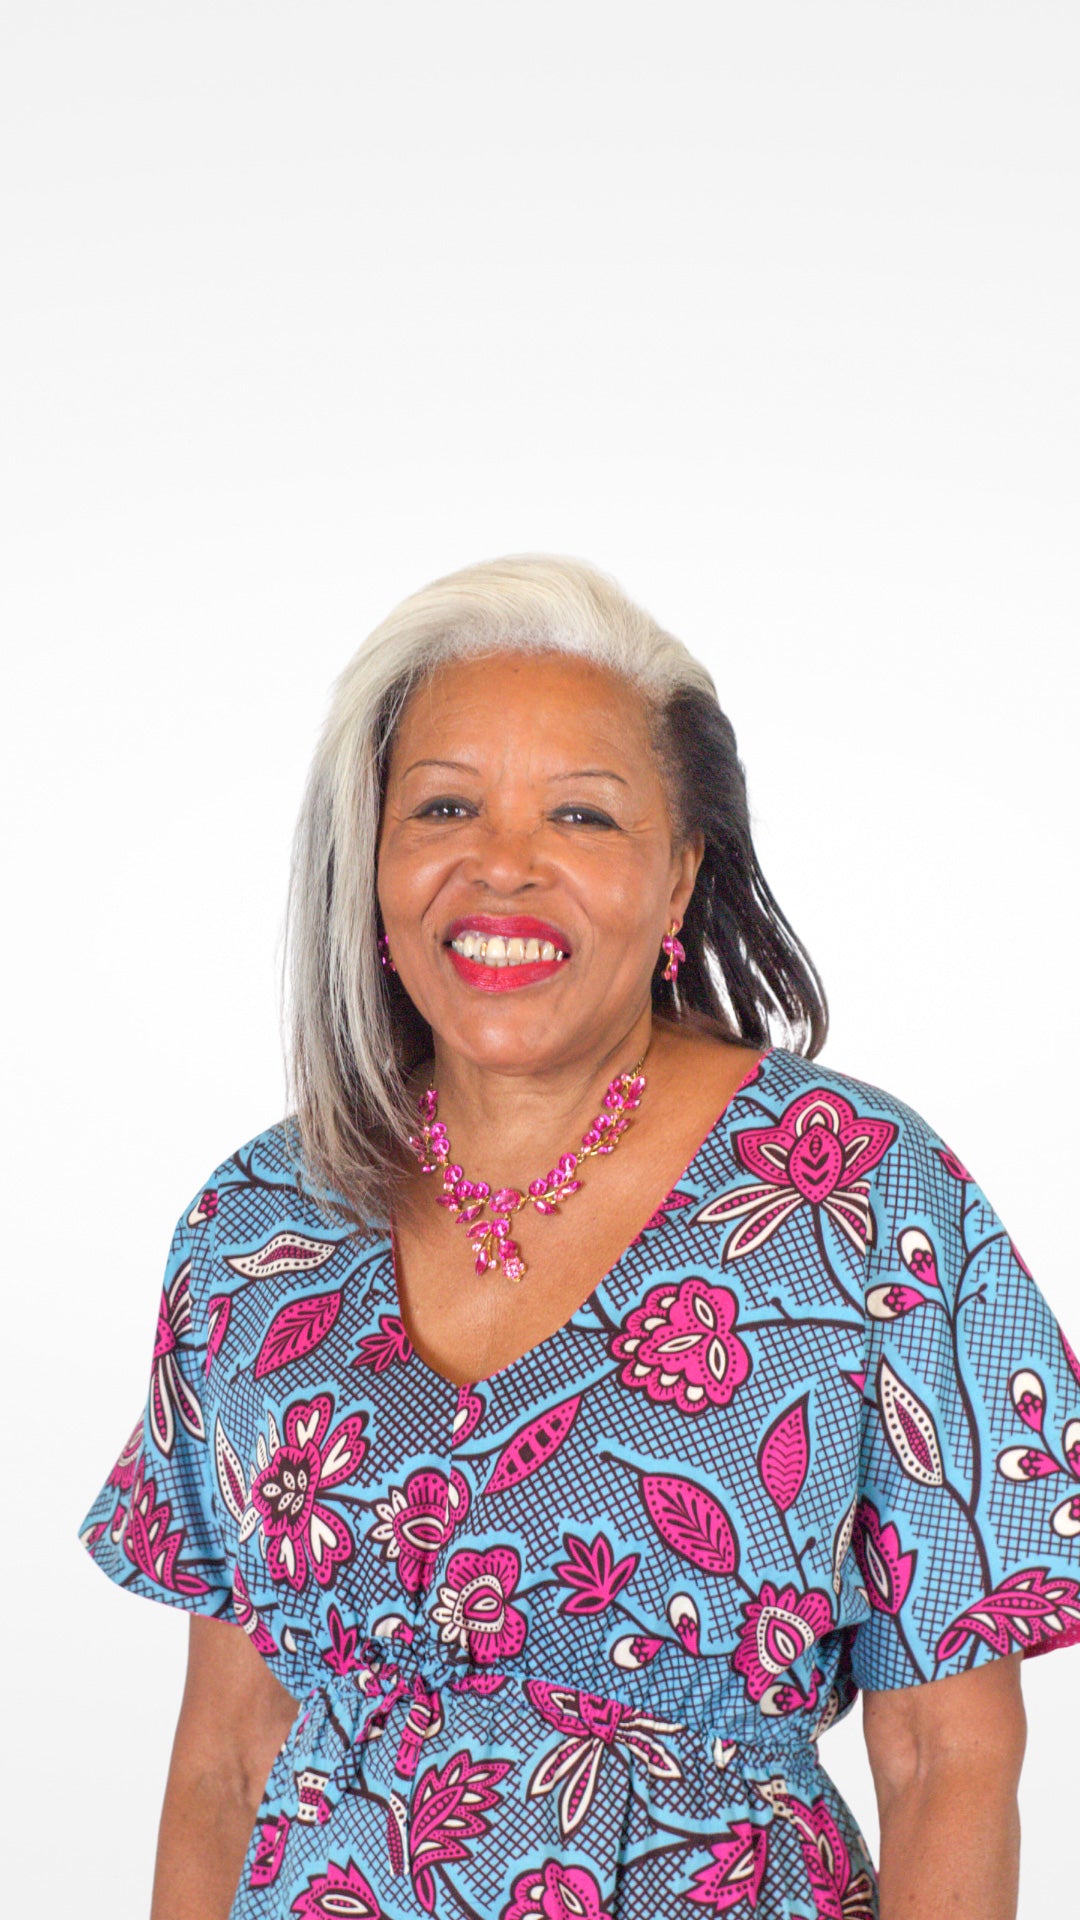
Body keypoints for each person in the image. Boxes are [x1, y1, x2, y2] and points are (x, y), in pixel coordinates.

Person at [79, 555, 1080, 1920]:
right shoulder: (255, 1233)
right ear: (374, 867)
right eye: (442, 806)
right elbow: (225, 1758)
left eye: (582, 817)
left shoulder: (857, 1200)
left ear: (678, 881)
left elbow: (945, 1755)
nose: (503, 866)